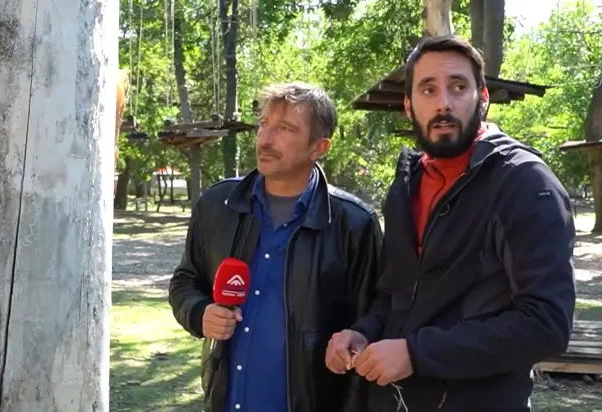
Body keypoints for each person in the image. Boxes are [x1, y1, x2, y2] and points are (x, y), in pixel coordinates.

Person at [325, 35, 577, 411]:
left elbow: (546, 325)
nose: (443, 103)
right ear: (408, 106)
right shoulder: (406, 186)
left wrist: (416, 353)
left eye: (458, 87)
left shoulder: (524, 183)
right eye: (428, 89)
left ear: (482, 98)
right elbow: (394, 294)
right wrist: (362, 333)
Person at [168, 82, 384, 412]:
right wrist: (200, 313)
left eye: (284, 129)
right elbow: (185, 281)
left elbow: (373, 321)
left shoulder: (354, 224)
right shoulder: (217, 205)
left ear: (319, 147)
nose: (266, 139)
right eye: (264, 124)